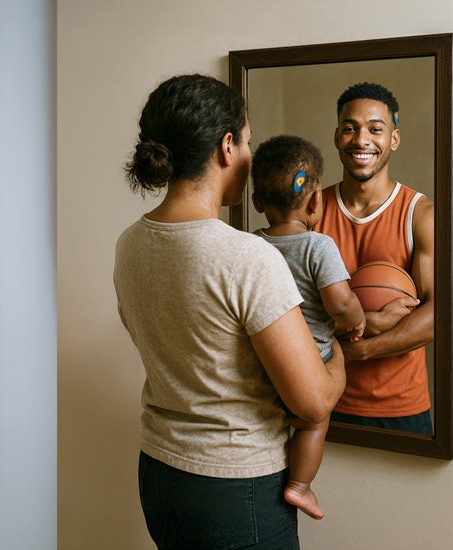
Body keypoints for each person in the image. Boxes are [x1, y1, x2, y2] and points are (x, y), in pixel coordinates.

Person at [115, 74, 345, 549]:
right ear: (225, 146)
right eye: (247, 141)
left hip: (159, 474)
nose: (247, 155)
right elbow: (314, 401)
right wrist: (338, 356)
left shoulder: (130, 243)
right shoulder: (247, 257)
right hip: (235, 486)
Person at [248, 135, 365, 520]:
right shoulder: (319, 247)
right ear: (317, 201)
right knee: (315, 422)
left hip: (264, 364)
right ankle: (300, 485)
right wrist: (358, 320)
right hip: (310, 360)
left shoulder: (251, 246)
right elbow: (340, 302)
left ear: (257, 203)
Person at [317, 82, 434, 434]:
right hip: (321, 395)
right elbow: (288, 309)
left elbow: (438, 313)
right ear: (337, 136)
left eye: (375, 129)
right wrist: (370, 320)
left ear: (394, 139)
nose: (361, 139)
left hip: (401, 405)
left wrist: (363, 350)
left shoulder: (421, 214)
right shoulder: (310, 211)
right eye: (350, 128)